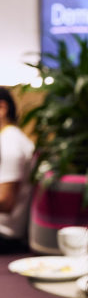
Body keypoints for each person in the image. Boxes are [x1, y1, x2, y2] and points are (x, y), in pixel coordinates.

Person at [0, 88, 34, 253]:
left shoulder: (9, 143)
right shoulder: (12, 139)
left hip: (5, 236)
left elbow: (6, 202)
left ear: (1, 108)